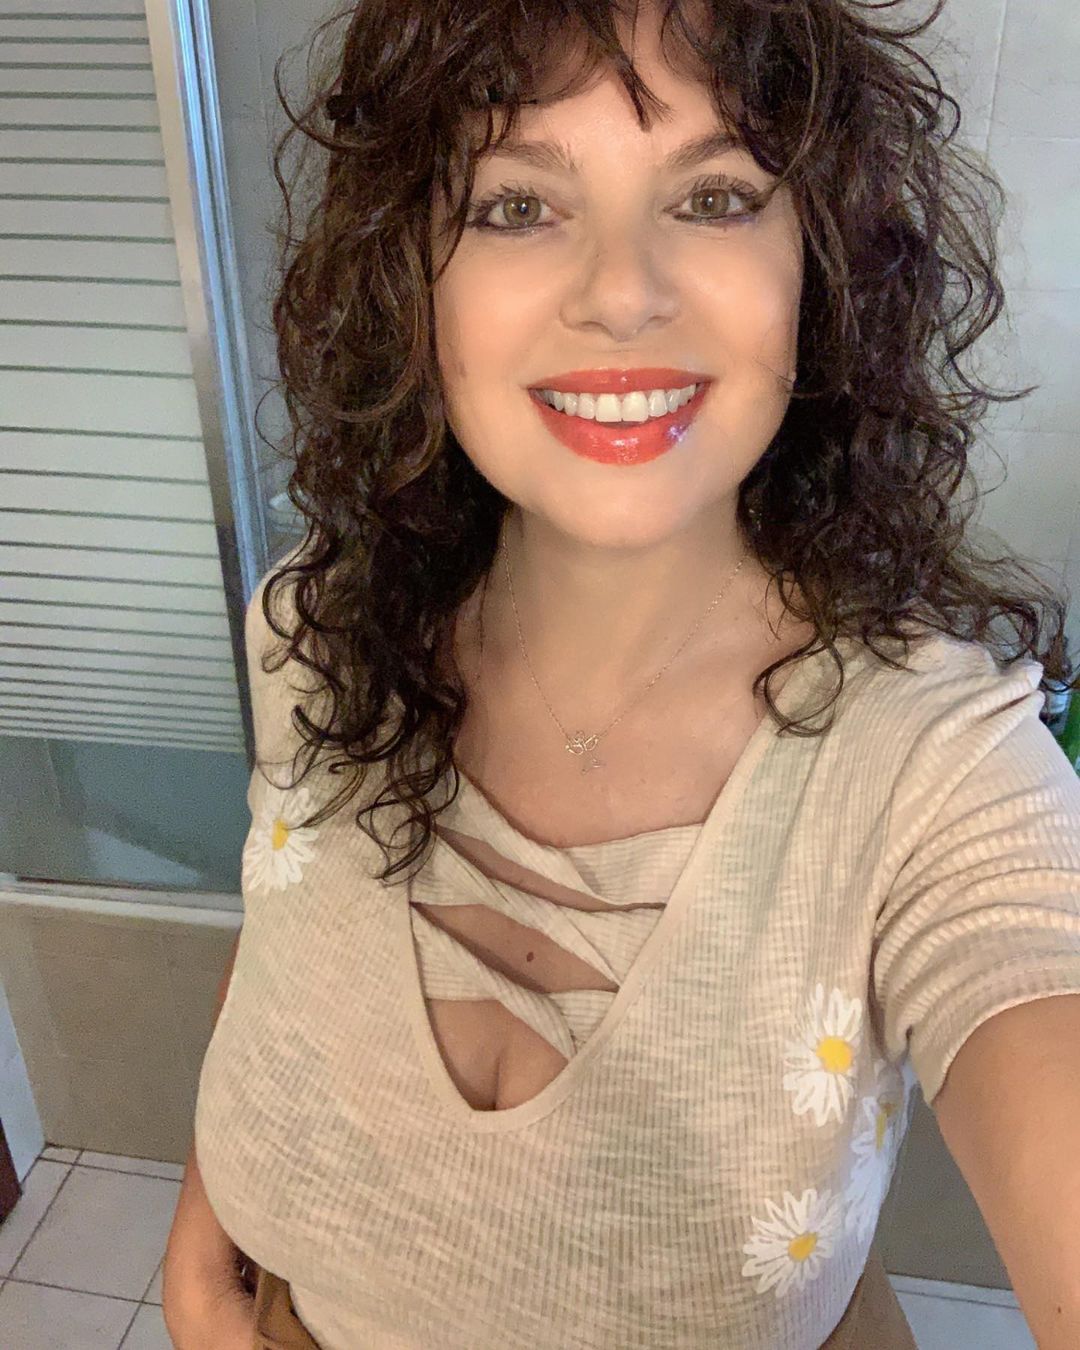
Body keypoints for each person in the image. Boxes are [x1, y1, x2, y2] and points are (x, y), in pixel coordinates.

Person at [163, 1, 1080, 1347]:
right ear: (409, 279)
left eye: (713, 197)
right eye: (517, 206)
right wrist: (205, 1232)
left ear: (819, 265)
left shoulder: (939, 770)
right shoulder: (317, 625)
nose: (622, 292)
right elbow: (287, 920)